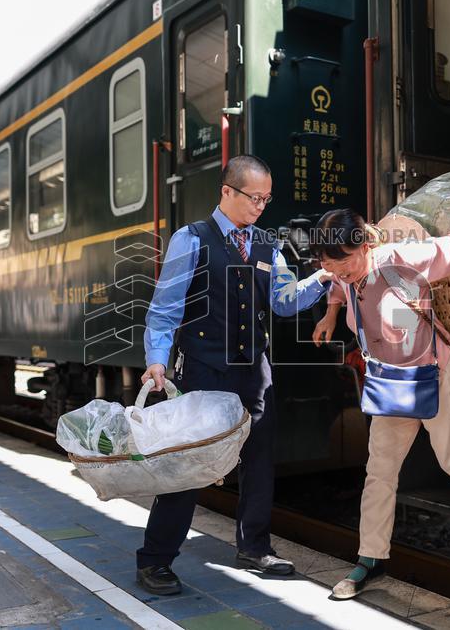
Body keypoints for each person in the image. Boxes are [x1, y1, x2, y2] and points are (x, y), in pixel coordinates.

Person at [309, 208, 450, 600]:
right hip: (390, 385)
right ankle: (370, 558)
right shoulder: (344, 274)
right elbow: (336, 283)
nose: (339, 272)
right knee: (379, 472)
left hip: (435, 376)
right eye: (329, 265)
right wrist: (331, 314)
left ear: (365, 246)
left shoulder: (401, 261)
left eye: (345, 262)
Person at [137, 155, 334, 595]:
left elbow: (284, 303)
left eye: (267, 198)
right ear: (227, 191)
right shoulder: (192, 239)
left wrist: (322, 278)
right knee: (188, 463)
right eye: (254, 197)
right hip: (205, 369)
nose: (261, 206)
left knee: (259, 459)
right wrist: (157, 359)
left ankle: (254, 548)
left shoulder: (268, 244)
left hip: (254, 371)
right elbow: (165, 309)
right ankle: (155, 559)